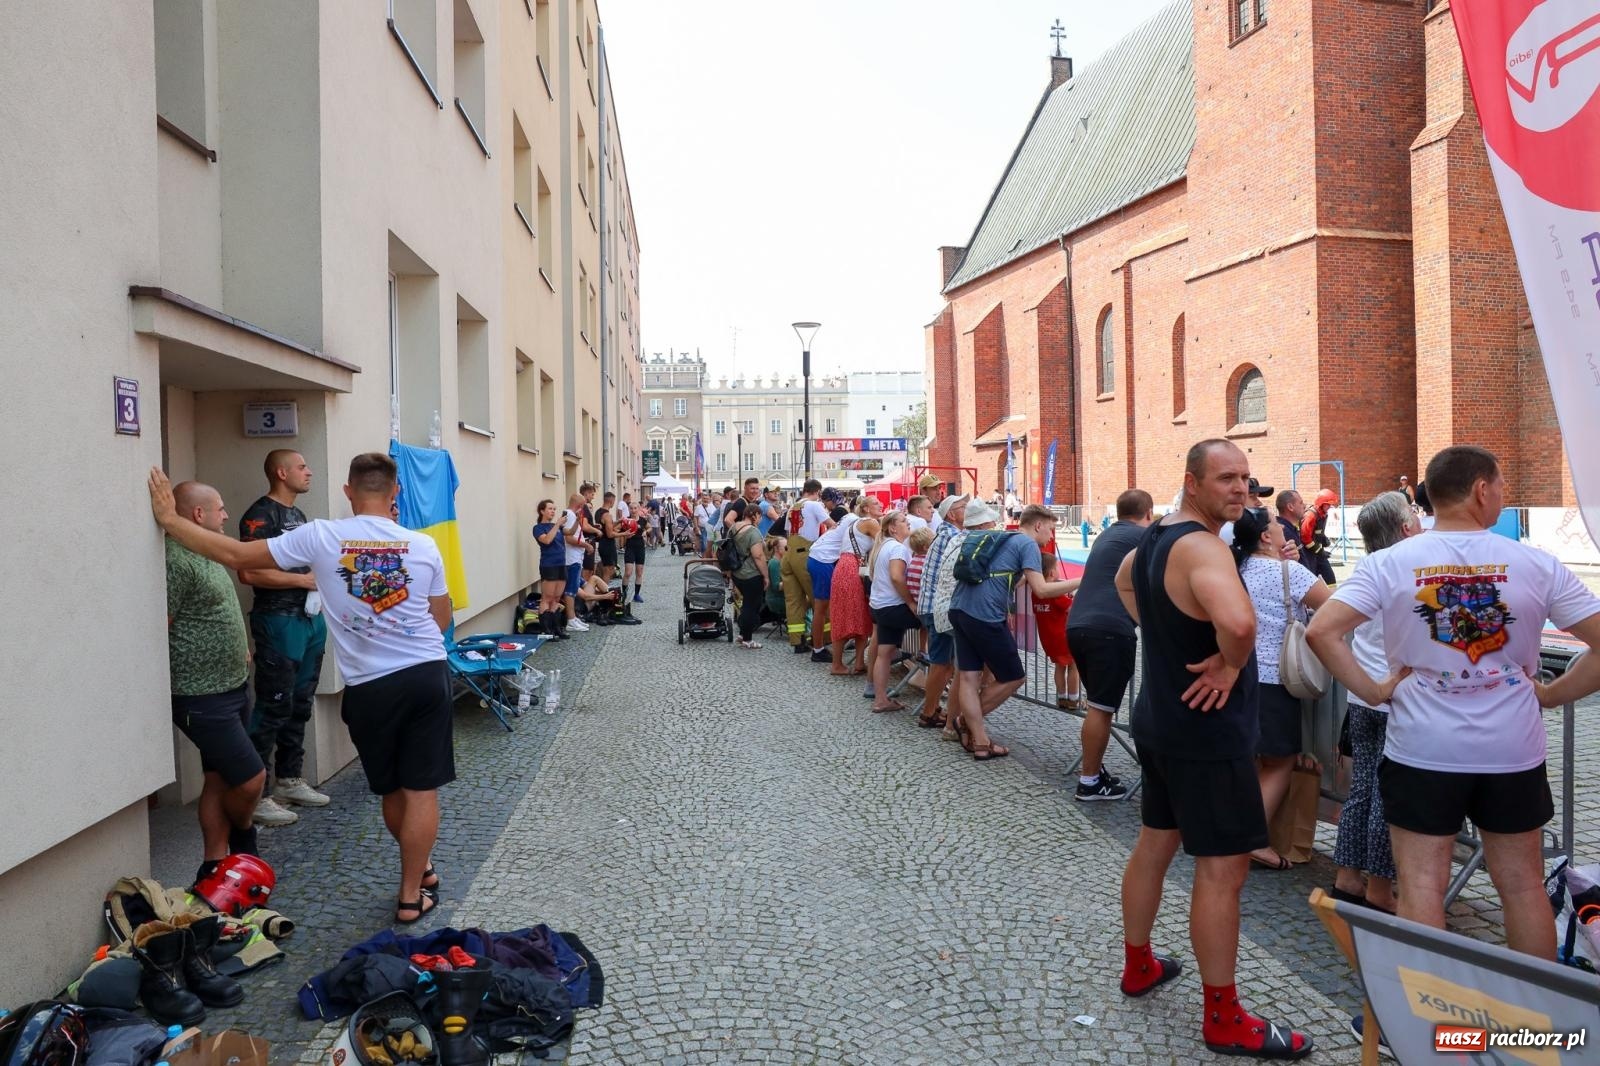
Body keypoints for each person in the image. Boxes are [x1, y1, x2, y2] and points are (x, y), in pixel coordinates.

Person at [1307, 445, 1600, 960]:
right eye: (1501, 486)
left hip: (1422, 747)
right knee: (1522, 886)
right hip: (1511, 749)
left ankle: (1427, 1007)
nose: (1503, 496)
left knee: (1420, 886)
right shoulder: (1535, 563)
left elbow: (1321, 632)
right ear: (1482, 490)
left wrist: (1374, 690)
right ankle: (1532, 1007)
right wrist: (1552, 695)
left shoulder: (1390, 562)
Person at [149, 454, 455, 925]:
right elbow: (441, 615)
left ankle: (416, 879)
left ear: (349, 491)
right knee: (421, 788)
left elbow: (237, 556)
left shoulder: (322, 536)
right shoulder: (423, 545)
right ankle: (413, 889)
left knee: (393, 787)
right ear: (395, 493)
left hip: (370, 687)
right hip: (425, 674)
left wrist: (170, 521)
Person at [1111, 439, 1313, 1060]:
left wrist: (1162, 632)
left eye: (1246, 478)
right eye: (1226, 478)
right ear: (1192, 482)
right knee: (1223, 871)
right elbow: (1242, 624)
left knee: (1155, 843)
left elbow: (1123, 583)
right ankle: (1224, 1018)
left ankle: (1139, 965)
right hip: (1206, 732)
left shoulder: (1155, 536)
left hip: (1161, 720)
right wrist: (1228, 664)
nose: (1240, 489)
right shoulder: (1202, 547)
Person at [165, 481, 265, 882]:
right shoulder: (177, 560)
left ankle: (213, 865)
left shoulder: (204, 550)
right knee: (252, 779)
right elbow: (162, 625)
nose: (226, 515)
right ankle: (244, 840)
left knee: (218, 778)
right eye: (219, 508)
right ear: (197, 514)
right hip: (201, 695)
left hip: (232, 685)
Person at [1330, 491, 1419, 915]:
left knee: (1362, 786)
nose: (1418, 518)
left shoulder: (1366, 568)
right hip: (1394, 696)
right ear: (1404, 527)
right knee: (1388, 792)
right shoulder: (1408, 570)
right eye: (1412, 513)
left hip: (1363, 693)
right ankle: (1380, 887)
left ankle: (1347, 875)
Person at [1229, 505, 1332, 870]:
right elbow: (1334, 607)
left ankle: (1237, 829)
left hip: (1239, 674)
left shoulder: (1237, 569)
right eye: (1275, 524)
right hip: (1277, 677)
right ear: (1265, 536)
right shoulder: (1289, 572)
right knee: (1280, 760)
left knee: (1253, 758)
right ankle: (1253, 839)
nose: (1282, 529)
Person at [238, 449, 330, 827]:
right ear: (281, 472)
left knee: (300, 702)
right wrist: (303, 580)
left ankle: (289, 780)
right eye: (301, 467)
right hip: (278, 620)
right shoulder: (260, 515)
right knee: (272, 705)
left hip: (308, 618)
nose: (309, 472)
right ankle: (255, 796)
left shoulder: (298, 515)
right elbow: (249, 573)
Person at [948, 503, 1078, 761]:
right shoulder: (1028, 544)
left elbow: (1010, 579)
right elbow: (1042, 590)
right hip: (985, 615)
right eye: (1050, 530)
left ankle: (980, 741)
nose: (1051, 536)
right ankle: (964, 722)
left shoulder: (1004, 537)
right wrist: (1083, 581)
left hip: (959, 608)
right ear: (1038, 525)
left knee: (969, 678)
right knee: (1014, 677)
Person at [1066, 489, 1154, 801]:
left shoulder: (1106, 536)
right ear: (1148, 513)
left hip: (1078, 624)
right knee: (1101, 709)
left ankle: (1094, 771)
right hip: (1110, 629)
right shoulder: (1144, 537)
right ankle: (1089, 782)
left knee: (1097, 706)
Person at [917, 494, 970, 732]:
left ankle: (933, 710)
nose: (967, 509)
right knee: (941, 665)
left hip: (932, 606)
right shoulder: (952, 535)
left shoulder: (944, 533)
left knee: (943, 664)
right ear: (952, 514)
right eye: (963, 506)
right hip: (938, 607)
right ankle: (928, 713)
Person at [867, 512, 921, 712]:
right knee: (930, 622)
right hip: (894, 606)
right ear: (892, 528)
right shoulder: (898, 548)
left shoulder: (883, 546)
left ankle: (880, 699)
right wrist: (911, 602)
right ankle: (927, 662)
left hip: (880, 607)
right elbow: (897, 577)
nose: (908, 523)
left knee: (884, 654)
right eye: (904, 521)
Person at [780, 479, 830, 654]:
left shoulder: (792, 508)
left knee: (793, 601)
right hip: (805, 553)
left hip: (789, 554)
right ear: (817, 492)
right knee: (819, 598)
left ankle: (797, 640)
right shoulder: (814, 505)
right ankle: (824, 639)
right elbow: (832, 525)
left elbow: (788, 531)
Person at [1032, 553, 1079, 714]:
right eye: (1056, 567)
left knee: (1059, 667)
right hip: (1063, 637)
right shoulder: (1055, 593)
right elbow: (1071, 608)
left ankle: (1061, 697)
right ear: (1052, 573)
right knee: (1074, 666)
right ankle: (1073, 699)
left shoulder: (1035, 592)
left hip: (1048, 638)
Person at [726, 500, 769, 649]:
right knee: (752, 606)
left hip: (737, 572)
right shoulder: (753, 532)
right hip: (751, 574)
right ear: (755, 515)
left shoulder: (733, 528)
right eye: (760, 516)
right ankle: (748, 639)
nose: (760, 519)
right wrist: (766, 576)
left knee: (746, 605)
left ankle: (742, 634)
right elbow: (758, 556)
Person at [531, 499, 569, 640]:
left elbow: (570, 532)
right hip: (549, 565)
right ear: (542, 511)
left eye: (554, 509)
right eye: (550, 509)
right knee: (547, 597)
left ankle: (556, 627)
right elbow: (547, 540)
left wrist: (577, 520)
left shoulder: (556, 526)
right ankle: (545, 630)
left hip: (561, 563)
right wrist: (557, 524)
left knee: (557, 597)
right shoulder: (538, 528)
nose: (553, 511)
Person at [561, 493, 591, 633]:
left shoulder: (571, 515)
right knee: (571, 590)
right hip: (571, 558)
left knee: (572, 589)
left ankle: (573, 618)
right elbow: (569, 539)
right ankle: (571, 619)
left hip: (574, 557)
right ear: (580, 505)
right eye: (583, 505)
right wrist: (586, 545)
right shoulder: (570, 515)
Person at [1298, 488, 1339, 586]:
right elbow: (1305, 538)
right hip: (1309, 555)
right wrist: (1320, 551)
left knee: (1330, 578)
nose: (1330, 507)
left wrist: (1323, 539)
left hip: (1317, 553)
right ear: (1321, 503)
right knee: (1312, 581)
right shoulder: (1310, 516)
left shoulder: (1323, 514)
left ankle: (1331, 594)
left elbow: (1317, 532)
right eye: (1328, 504)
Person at [621, 491, 647, 603]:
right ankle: (624, 594)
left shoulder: (643, 520)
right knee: (628, 572)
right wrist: (624, 536)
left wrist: (646, 532)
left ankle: (636, 594)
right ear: (629, 509)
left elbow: (649, 527)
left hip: (640, 547)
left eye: (635, 508)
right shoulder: (626, 520)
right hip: (630, 547)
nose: (633, 510)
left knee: (639, 572)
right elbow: (618, 531)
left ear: (638, 509)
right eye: (631, 508)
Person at [595, 492, 619, 583]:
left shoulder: (598, 512)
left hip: (601, 543)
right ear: (611, 501)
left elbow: (606, 527)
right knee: (609, 570)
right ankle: (604, 589)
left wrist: (618, 521)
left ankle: (603, 587)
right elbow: (610, 534)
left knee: (606, 569)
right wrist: (624, 533)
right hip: (608, 544)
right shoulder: (607, 515)